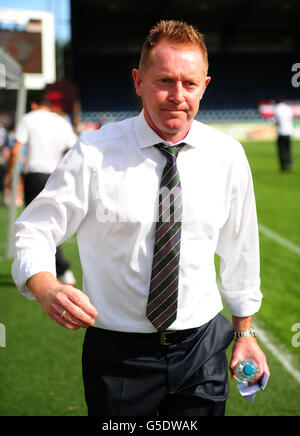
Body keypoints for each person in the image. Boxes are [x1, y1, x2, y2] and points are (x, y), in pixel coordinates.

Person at [11, 20, 269, 417]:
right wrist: (46, 286)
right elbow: (34, 230)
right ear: (138, 81)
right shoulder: (94, 153)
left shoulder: (228, 155)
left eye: (190, 83)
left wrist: (245, 331)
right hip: (118, 358)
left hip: (201, 350)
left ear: (205, 85)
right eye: (164, 80)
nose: (177, 96)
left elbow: (241, 251)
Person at [6, 92, 78, 285]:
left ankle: (57, 270)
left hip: (36, 176)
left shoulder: (29, 119)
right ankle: (57, 270)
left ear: (35, 105)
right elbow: (73, 150)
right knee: (53, 223)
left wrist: (9, 174)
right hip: (57, 175)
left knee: (36, 226)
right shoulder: (61, 121)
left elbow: (15, 148)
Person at [273, 98, 294, 172]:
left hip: (281, 132)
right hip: (289, 132)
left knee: (281, 150)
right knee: (288, 150)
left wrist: (273, 124)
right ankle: (290, 164)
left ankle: (283, 167)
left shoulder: (277, 108)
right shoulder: (288, 108)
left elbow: (277, 121)